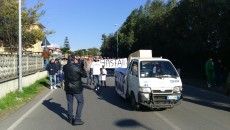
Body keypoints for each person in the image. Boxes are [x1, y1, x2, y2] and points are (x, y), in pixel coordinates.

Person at [63, 56, 87, 125]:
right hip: (77, 88)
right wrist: (81, 66)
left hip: (68, 87)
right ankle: (77, 119)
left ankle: (70, 118)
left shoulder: (65, 67)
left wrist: (78, 65)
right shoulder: (77, 67)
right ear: (74, 60)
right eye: (76, 59)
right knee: (80, 102)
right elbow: (85, 75)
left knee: (70, 102)